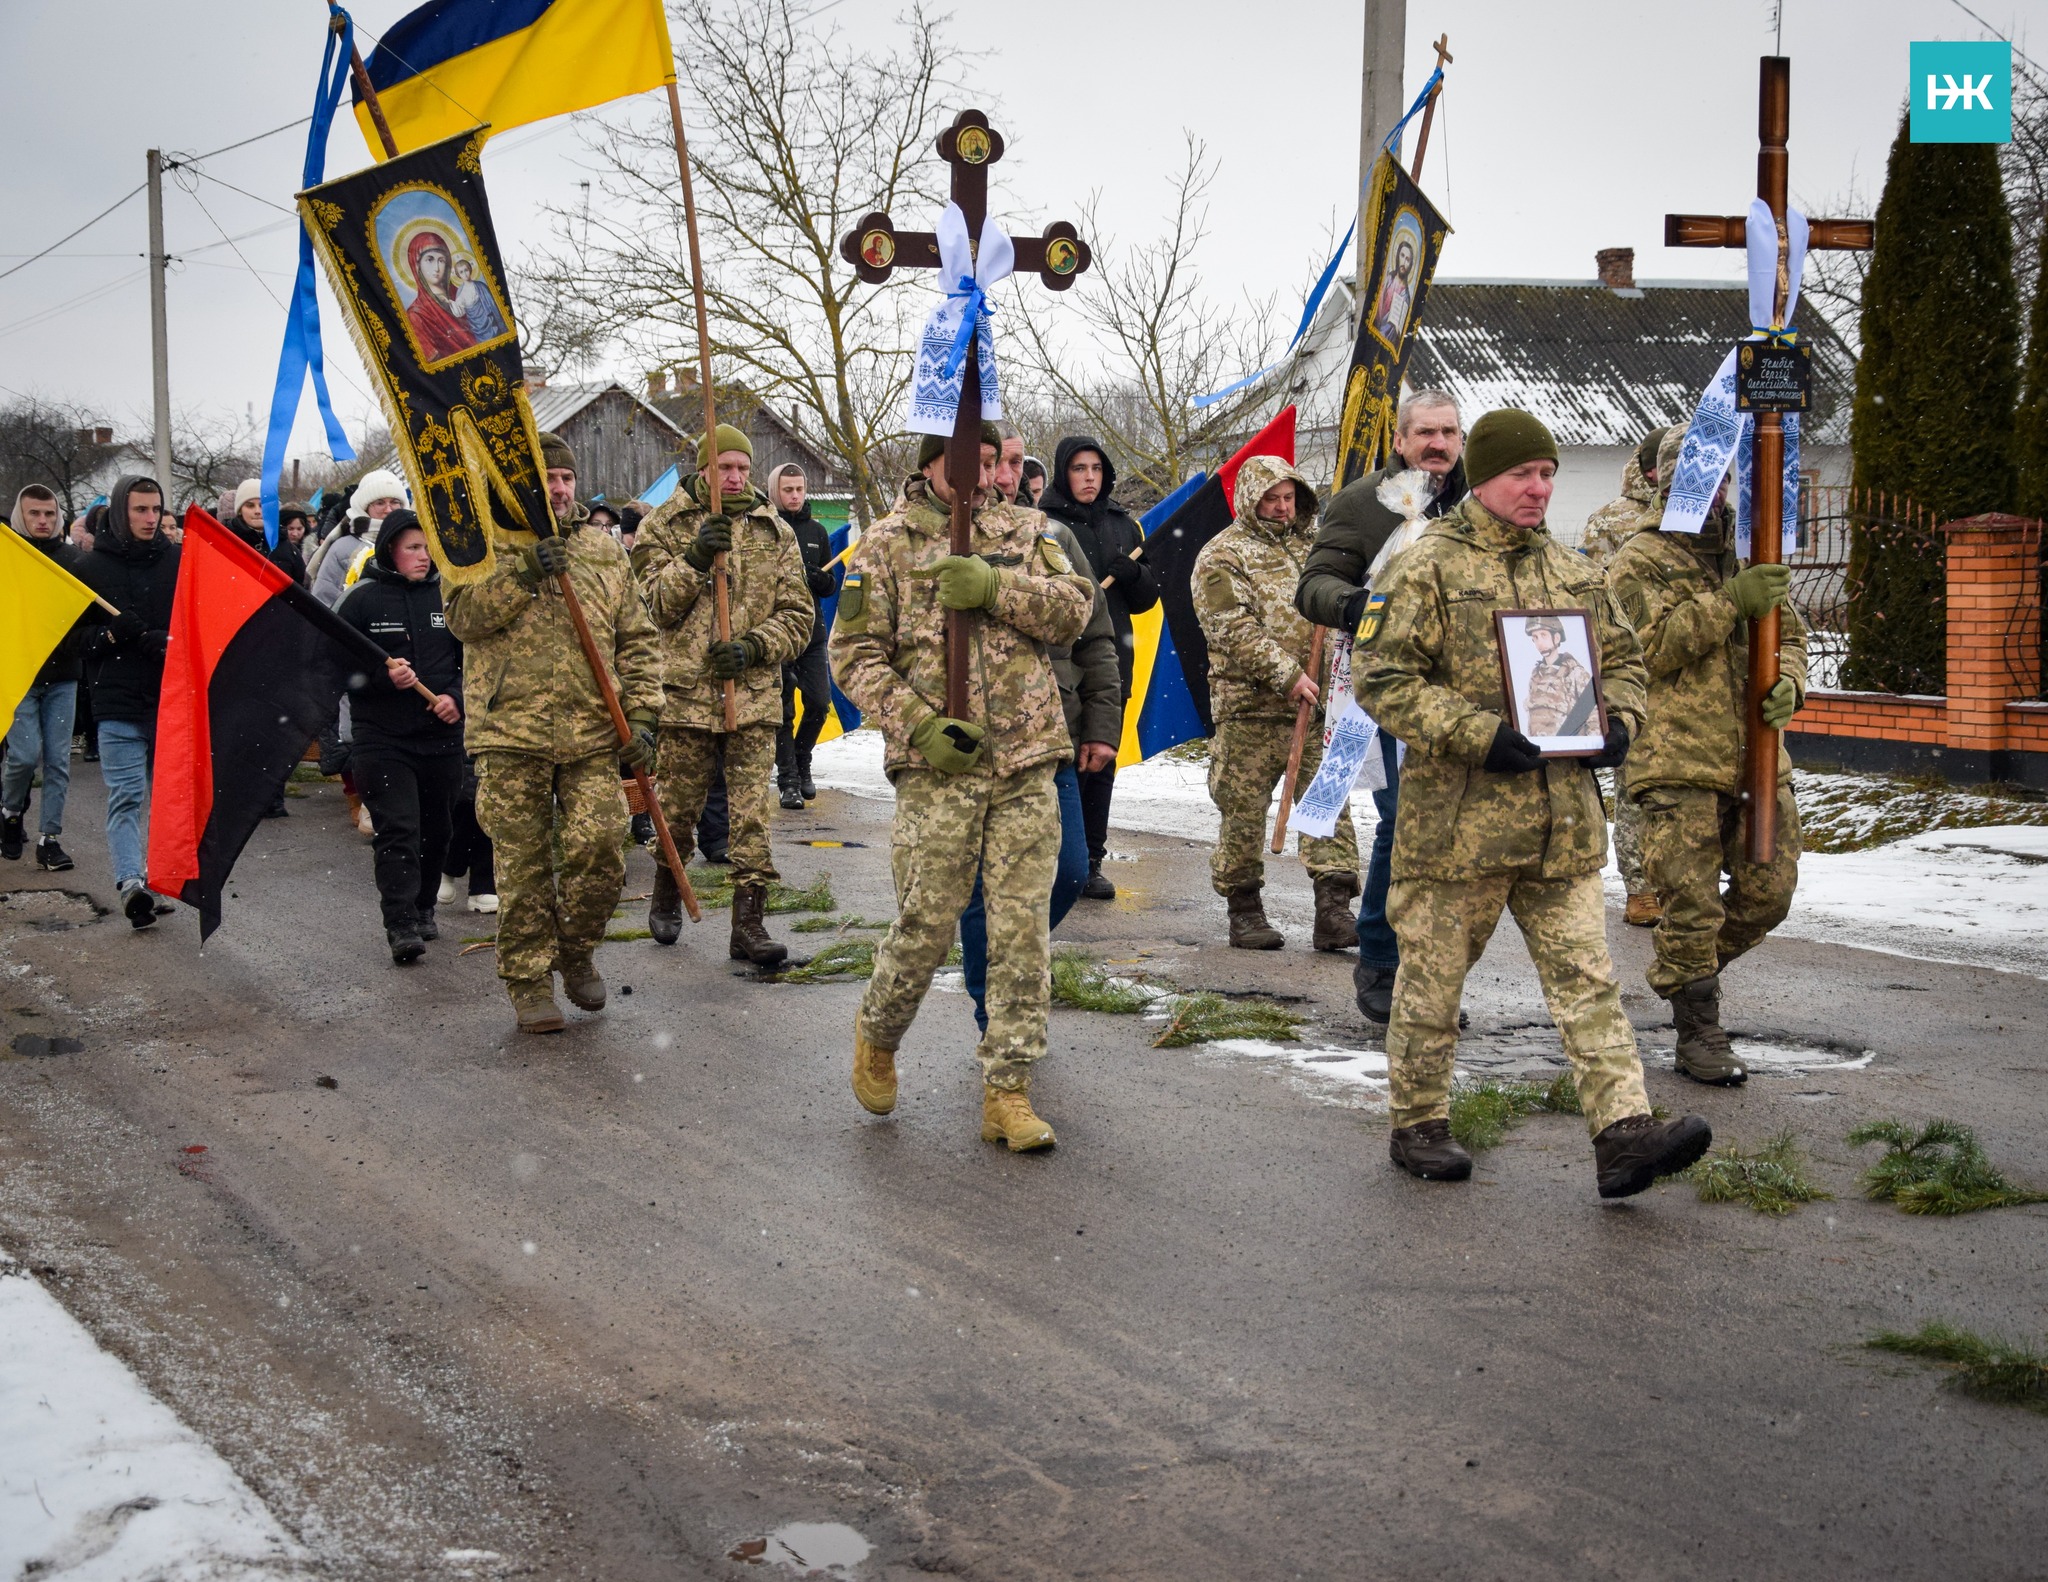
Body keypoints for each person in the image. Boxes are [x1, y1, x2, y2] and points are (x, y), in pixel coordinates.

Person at [1353, 409, 1711, 1197]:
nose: (1539, 488)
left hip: (1563, 827)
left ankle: (1623, 1135)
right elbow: (1379, 678)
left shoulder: (1574, 568)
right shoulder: (1425, 566)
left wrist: (1619, 721)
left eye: (1547, 473)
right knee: (1433, 987)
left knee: (1589, 983)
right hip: (1458, 830)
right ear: (1483, 477)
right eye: (1524, 474)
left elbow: (1625, 660)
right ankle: (1418, 1125)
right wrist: (1478, 733)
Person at [830, 423, 1093, 1150]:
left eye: (990, 462)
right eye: (967, 462)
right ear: (931, 464)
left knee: (1020, 930)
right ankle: (879, 1031)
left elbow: (1075, 610)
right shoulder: (885, 544)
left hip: (1025, 759)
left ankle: (1007, 1089)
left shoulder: (1028, 528)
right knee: (928, 919)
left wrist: (996, 586)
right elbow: (851, 656)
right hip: (939, 768)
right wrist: (917, 725)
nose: (983, 477)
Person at [1607, 423, 1808, 1086]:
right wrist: (1729, 603)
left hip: (1757, 757)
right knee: (1689, 903)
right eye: (1697, 473)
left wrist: (1791, 684)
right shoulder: (1637, 558)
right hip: (1675, 762)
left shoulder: (1753, 550)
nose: (1713, 486)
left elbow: (1794, 636)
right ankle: (1700, 1030)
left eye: (1722, 473)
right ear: (1665, 479)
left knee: (1768, 893)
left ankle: (1681, 973)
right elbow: (1646, 648)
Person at [444, 432, 663, 1033]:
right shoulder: (475, 548)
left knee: (601, 850)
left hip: (593, 732)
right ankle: (528, 979)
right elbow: (462, 620)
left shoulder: (603, 550)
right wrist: (522, 571)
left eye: (566, 478)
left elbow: (638, 639)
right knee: (523, 865)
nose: (559, 489)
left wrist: (643, 713)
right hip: (510, 731)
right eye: (546, 477)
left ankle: (575, 950)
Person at [1296, 390, 1467, 1022]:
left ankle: (1434, 978)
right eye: (1425, 432)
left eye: (1449, 432)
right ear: (1400, 440)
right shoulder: (1362, 504)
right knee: (1406, 820)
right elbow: (1313, 587)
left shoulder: (1483, 503)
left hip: (1469, 694)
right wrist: (1365, 608)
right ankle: (1381, 961)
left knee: (1454, 837)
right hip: (1390, 689)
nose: (1438, 443)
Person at [954, 435, 1122, 1025]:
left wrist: (1100, 726)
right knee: (985, 888)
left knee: (1071, 870)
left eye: (1011, 463)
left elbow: (1096, 638)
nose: (1003, 474)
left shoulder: (1052, 537)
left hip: (1054, 737)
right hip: (974, 748)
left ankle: (1014, 952)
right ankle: (992, 1010)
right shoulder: (943, 539)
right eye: (990, 462)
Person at [633, 425, 813, 967]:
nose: (734, 477)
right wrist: (691, 560)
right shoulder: (664, 524)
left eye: (742, 467)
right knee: (680, 810)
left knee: (751, 814)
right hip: (685, 697)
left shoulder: (773, 530)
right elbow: (649, 608)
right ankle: (668, 888)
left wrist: (756, 646)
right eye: (724, 468)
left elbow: (800, 615)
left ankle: (749, 924)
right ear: (703, 470)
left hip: (753, 696)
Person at [1195, 456, 1358, 951]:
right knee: (1242, 811)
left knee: (1329, 805)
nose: (1282, 507)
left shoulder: (1316, 549)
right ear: (1250, 498)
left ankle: (1334, 911)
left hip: (1322, 708)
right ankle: (1244, 910)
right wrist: (1287, 675)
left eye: (1289, 497)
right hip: (1251, 709)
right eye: (1271, 498)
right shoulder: (1222, 556)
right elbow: (1231, 626)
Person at [335, 512, 465, 964]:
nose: (423, 557)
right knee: (399, 830)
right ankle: (401, 922)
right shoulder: (361, 600)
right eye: (413, 547)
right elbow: (334, 669)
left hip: (442, 738)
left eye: (429, 548)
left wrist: (455, 698)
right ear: (390, 548)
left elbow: (475, 663)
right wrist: (379, 678)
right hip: (382, 740)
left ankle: (425, 906)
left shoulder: (450, 595)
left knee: (438, 830)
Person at [1033, 436, 1158, 900]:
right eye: (1079, 469)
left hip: (1110, 657)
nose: (1089, 478)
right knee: (1062, 761)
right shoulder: (1047, 525)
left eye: (1096, 469)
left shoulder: (1124, 526)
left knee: (1101, 760)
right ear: (1064, 474)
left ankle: (1091, 859)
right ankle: (1053, 853)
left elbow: (1148, 600)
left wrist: (1135, 575)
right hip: (1060, 663)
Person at [73, 475, 181, 928]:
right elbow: (72, 641)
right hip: (116, 702)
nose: (150, 518)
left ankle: (157, 881)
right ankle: (130, 883)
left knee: (166, 798)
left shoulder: (177, 562)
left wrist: (167, 640)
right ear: (120, 512)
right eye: (140, 509)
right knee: (126, 796)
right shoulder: (89, 569)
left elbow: (196, 627)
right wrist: (113, 634)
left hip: (168, 699)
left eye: (155, 509)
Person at [1581, 427, 1670, 927]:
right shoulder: (1611, 522)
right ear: (1649, 469)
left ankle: (1680, 877)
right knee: (1635, 780)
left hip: (1686, 676)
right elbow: (1595, 594)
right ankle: (1639, 887)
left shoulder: (1704, 520)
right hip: (1630, 661)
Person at [2, 486, 92, 871]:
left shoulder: (73, 560)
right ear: (21, 516)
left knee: (57, 760)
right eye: (35, 514)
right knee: (22, 757)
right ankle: (9, 813)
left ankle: (49, 838)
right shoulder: (8, 558)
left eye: (49, 514)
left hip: (63, 676)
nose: (43, 521)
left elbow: (89, 615)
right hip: (19, 673)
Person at [765, 462, 838, 809]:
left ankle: (802, 757)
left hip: (812, 632)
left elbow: (830, 584)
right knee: (783, 709)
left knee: (819, 704)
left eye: (799, 489)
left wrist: (820, 580)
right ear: (774, 491)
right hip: (777, 629)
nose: (794, 496)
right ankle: (789, 780)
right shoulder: (765, 529)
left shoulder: (818, 532)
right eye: (787, 490)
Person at [309, 469, 407, 608]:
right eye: (380, 503)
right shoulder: (343, 549)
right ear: (364, 507)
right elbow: (324, 603)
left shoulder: (417, 543)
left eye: (395, 502)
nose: (388, 509)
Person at [1521, 614, 1591, 735]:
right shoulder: (1536, 676)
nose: (1539, 643)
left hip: (1570, 749)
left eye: (1544, 635)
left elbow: (1593, 716)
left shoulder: (1576, 673)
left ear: (1556, 638)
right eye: (1535, 637)